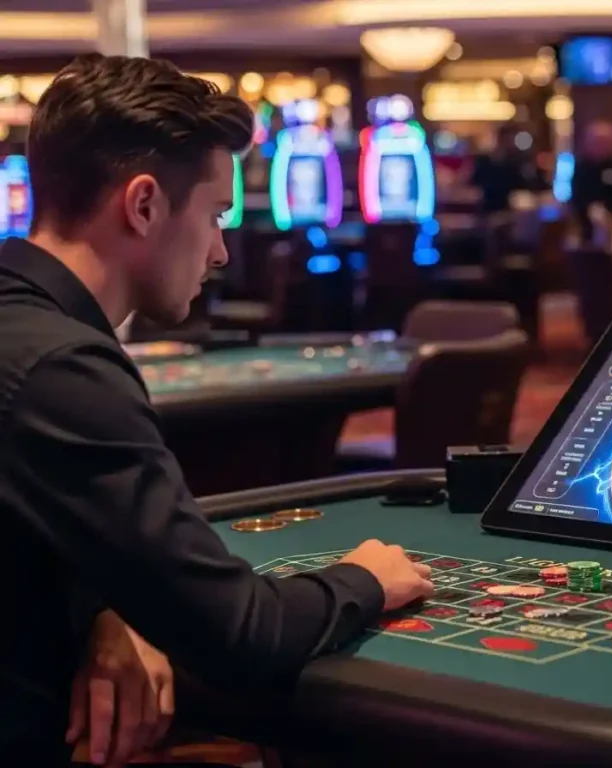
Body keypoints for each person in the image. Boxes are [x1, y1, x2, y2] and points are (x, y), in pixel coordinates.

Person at [0, 54, 434, 766]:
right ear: (143, 206)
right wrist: (364, 578)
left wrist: (104, 610)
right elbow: (242, 635)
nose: (222, 252)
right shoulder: (64, 370)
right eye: (214, 215)